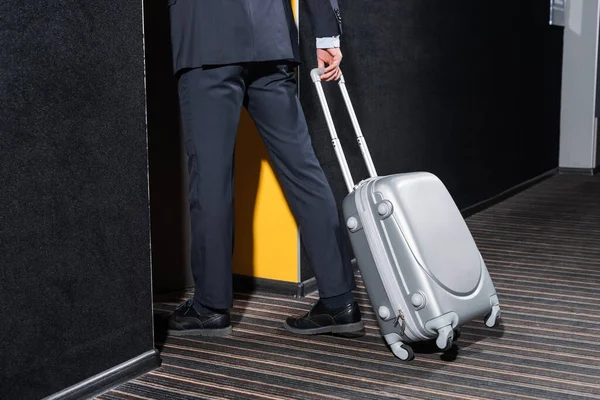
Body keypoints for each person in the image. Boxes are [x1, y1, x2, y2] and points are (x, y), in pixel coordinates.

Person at [165, 0, 362, 337]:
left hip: (206, 39)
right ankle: (339, 299)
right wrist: (327, 35)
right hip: (272, 41)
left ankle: (211, 307)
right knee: (303, 171)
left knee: (211, 178)